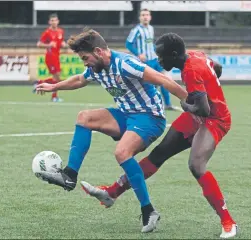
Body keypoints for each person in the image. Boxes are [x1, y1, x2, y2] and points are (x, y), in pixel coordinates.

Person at [81, 33, 238, 239]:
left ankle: (228, 221)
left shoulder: (190, 70)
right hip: (196, 115)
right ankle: (112, 193)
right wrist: (210, 82)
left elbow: (204, 110)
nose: (159, 61)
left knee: (196, 166)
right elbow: (216, 67)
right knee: (159, 154)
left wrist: (185, 104)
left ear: (173, 54)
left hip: (214, 119)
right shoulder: (195, 56)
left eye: (161, 57)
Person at [35, 29, 188, 232]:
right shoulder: (97, 68)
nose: (85, 63)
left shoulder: (125, 63)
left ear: (98, 51)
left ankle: (148, 210)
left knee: (122, 152)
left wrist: (190, 101)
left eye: (85, 58)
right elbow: (80, 80)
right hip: (125, 115)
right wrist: (54, 87)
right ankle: (70, 175)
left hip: (150, 118)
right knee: (84, 117)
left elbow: (163, 80)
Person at [126, 9, 181, 111]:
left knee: (166, 80)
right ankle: (149, 105)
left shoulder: (151, 28)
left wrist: (159, 53)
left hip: (155, 60)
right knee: (150, 85)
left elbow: (150, 44)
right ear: (140, 18)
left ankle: (168, 104)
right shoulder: (136, 30)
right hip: (146, 62)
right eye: (143, 15)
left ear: (150, 17)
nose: (145, 17)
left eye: (147, 15)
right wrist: (138, 54)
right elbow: (128, 44)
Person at [35, 13, 67, 102]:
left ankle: (40, 82)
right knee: (57, 78)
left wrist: (63, 44)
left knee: (57, 78)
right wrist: (48, 45)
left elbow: (60, 42)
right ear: (49, 22)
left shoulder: (60, 31)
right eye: (52, 20)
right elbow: (39, 44)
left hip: (57, 56)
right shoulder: (47, 32)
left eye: (55, 20)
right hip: (50, 57)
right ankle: (54, 97)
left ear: (58, 21)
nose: (54, 22)